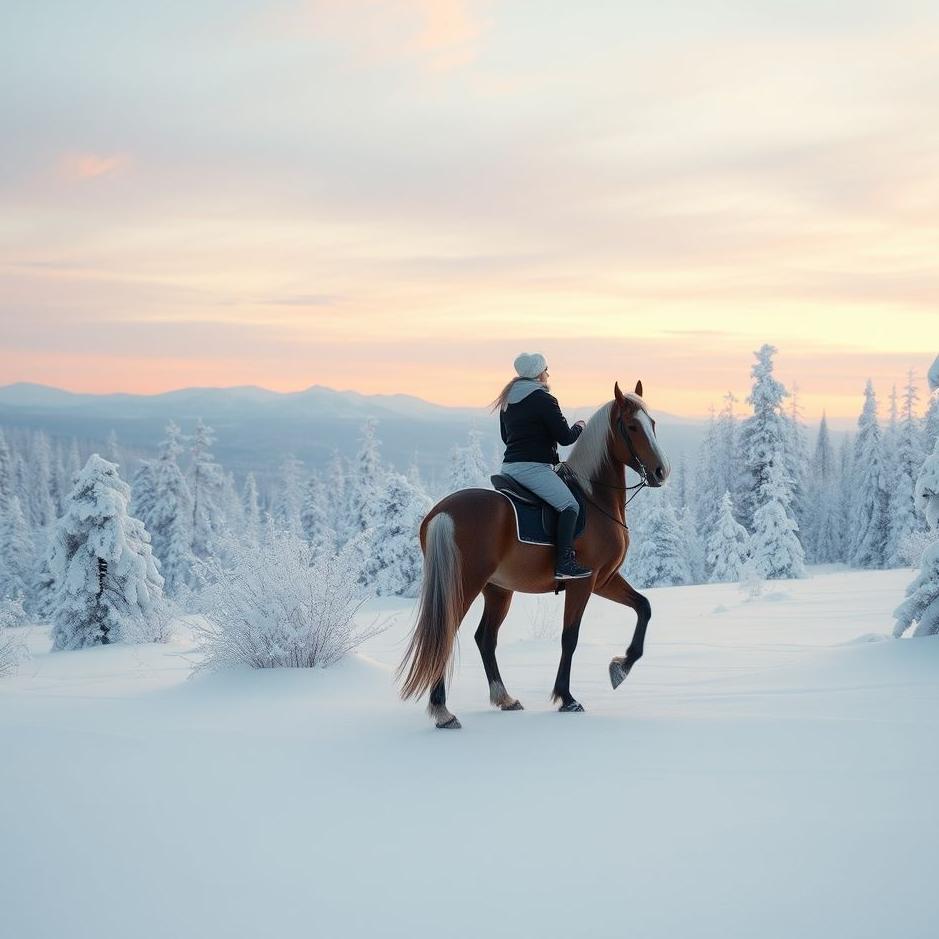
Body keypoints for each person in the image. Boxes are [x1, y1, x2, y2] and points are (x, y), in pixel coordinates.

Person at [491, 352, 591, 579]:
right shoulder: (544, 399)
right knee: (570, 506)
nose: (548, 373)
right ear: (538, 374)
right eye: (546, 369)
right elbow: (565, 437)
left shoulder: (507, 399)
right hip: (533, 469)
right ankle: (564, 563)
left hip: (509, 468)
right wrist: (580, 425)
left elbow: (506, 438)